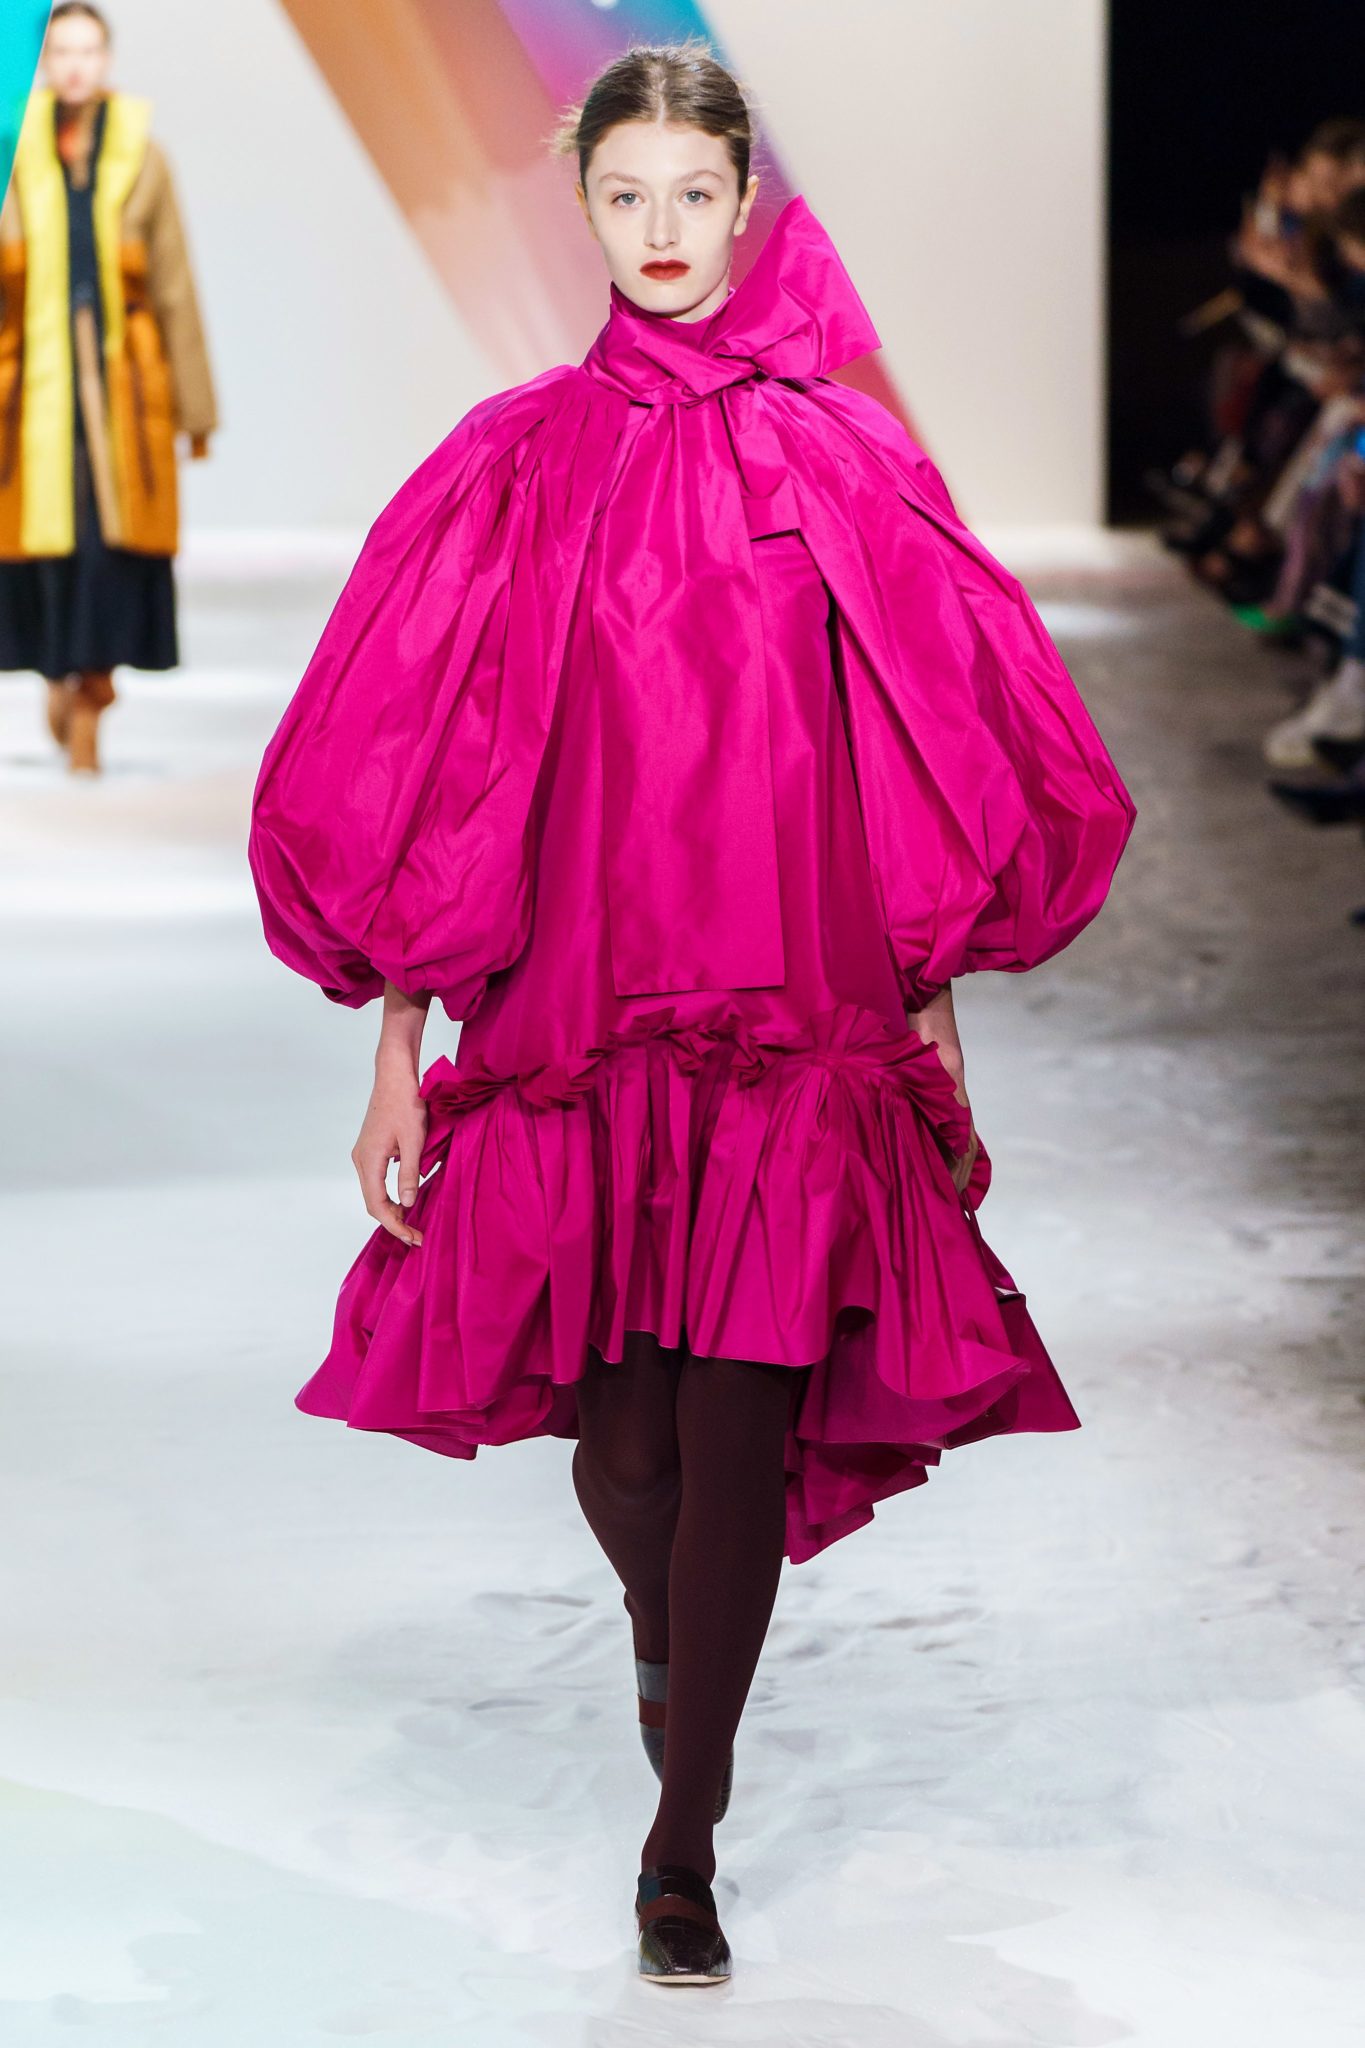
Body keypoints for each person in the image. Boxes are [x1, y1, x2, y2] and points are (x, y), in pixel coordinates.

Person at [248, 40, 1137, 1988]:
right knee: (626, 1440)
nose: (661, 230)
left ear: (747, 206)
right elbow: (430, 759)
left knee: (737, 1411)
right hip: (578, 986)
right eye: (627, 195)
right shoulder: (509, 465)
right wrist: (399, 1044)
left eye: (695, 196)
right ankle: (670, 1656)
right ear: (584, 204)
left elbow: (914, 747)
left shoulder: (843, 463)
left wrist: (932, 1009)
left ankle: (683, 1839)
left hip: (789, 981)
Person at [0, 2, 217, 775]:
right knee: (44, 541)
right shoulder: (13, 154)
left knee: (107, 544)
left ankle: (93, 691)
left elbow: (173, 284)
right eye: (60, 51)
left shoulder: (143, 157)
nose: (74, 66)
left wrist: (195, 408)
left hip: (121, 389)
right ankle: (60, 677)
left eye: (87, 50)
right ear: (44, 62)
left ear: (107, 59)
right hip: (32, 383)